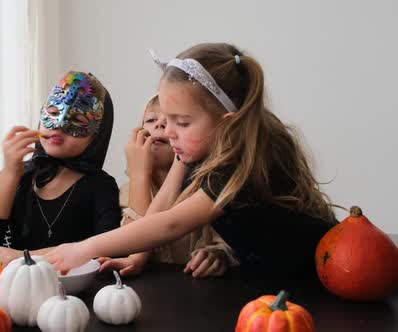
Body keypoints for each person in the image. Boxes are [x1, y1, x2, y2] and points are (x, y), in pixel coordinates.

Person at [46, 43, 337, 279]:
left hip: (316, 272)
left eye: (182, 122)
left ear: (226, 124)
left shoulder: (241, 162)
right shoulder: (200, 148)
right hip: (264, 271)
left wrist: (85, 248)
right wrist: (138, 257)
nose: (168, 131)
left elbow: (171, 225)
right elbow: (162, 207)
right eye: (165, 119)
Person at [0, 71, 121, 266]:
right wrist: (10, 174)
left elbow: (106, 251)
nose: (58, 125)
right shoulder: (20, 176)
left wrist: (23, 257)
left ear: (97, 135)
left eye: (77, 120)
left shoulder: (101, 186)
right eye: (53, 112)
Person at [100, 95, 238, 278]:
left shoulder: (208, 187)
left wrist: (219, 254)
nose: (160, 125)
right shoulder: (128, 189)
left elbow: (227, 242)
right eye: (151, 120)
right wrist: (139, 176)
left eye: (178, 122)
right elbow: (132, 243)